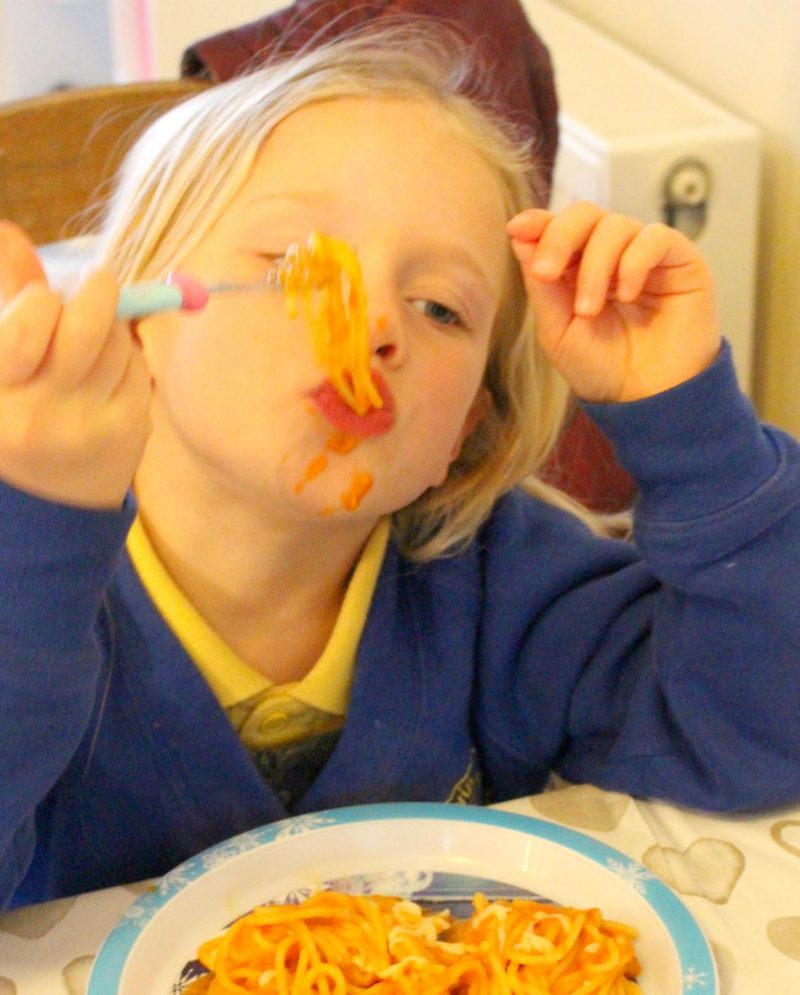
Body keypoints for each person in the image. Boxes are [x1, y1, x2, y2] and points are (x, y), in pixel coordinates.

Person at [0, 23, 798, 913]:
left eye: (439, 308)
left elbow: (763, 732)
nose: (375, 324)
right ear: (137, 309)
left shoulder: (505, 582)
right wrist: (37, 522)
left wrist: (694, 430)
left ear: (467, 429)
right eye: (296, 265)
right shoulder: (32, 571)